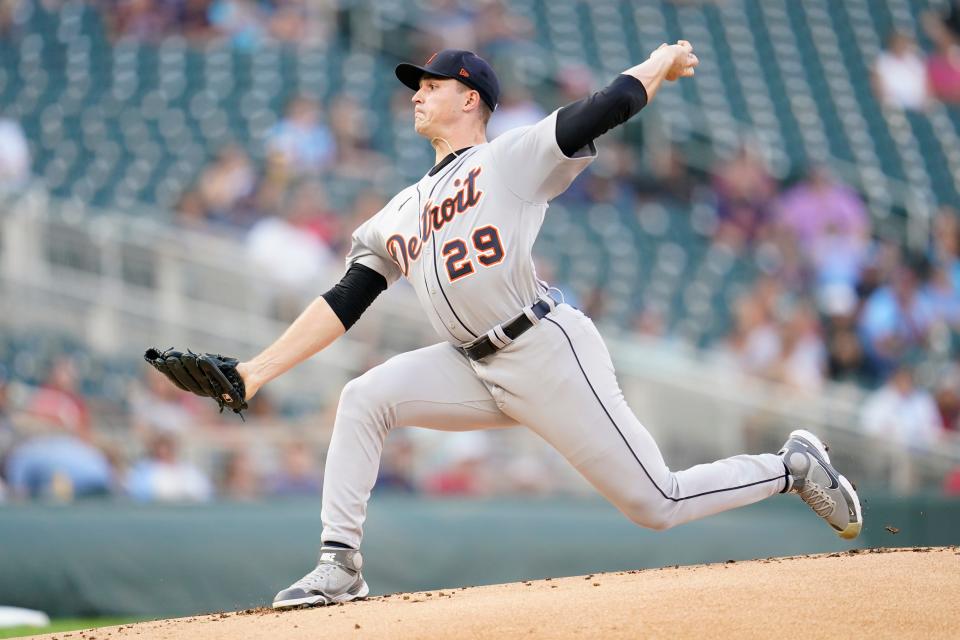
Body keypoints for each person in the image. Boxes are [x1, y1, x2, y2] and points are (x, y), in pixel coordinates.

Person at [180, 44, 861, 608]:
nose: (416, 93)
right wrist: (254, 372)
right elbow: (344, 300)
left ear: (469, 97)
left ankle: (790, 467)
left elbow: (607, 107)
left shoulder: (508, 159)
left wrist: (657, 64)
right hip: (468, 365)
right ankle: (340, 566)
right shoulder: (399, 209)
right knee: (364, 398)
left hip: (543, 350)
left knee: (656, 502)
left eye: (431, 84)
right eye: (416, 86)